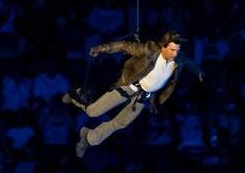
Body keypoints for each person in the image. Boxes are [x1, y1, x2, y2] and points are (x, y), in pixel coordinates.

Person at [62, 31, 204, 157]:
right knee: (93, 112)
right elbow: (125, 46)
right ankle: (74, 96)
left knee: (120, 123)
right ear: (164, 46)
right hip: (128, 87)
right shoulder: (150, 49)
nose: (175, 53)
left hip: (142, 98)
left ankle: (88, 137)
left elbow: (188, 61)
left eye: (177, 50)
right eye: (172, 50)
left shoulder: (178, 58)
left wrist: (198, 71)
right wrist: (101, 48)